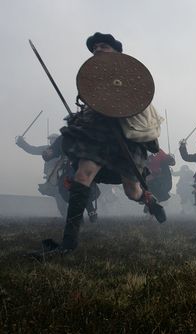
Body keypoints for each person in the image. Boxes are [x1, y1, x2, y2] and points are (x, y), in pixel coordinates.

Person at [47, 32, 166, 251]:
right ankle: (69, 242)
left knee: (132, 191)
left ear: (117, 53)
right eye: (95, 48)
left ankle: (148, 199)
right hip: (97, 131)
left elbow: (139, 102)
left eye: (104, 46)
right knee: (83, 174)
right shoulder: (92, 78)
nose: (98, 50)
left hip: (126, 134)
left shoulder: (131, 78)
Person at [15, 133, 68, 217]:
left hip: (64, 177)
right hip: (52, 179)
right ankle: (67, 217)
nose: (51, 141)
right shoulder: (46, 149)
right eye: (50, 139)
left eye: (54, 139)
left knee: (63, 197)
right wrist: (22, 143)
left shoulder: (64, 149)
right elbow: (32, 150)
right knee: (59, 198)